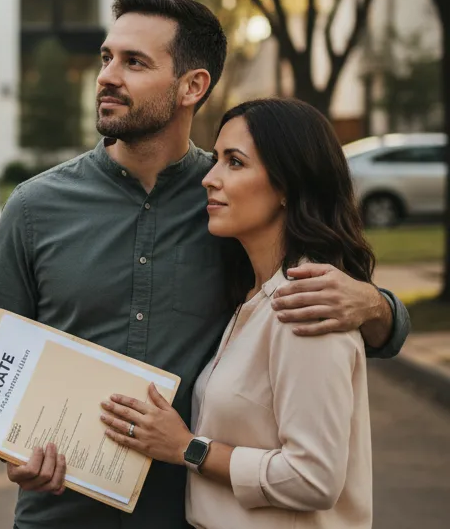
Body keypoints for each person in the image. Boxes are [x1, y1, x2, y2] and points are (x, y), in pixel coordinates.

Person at [0, 0, 410, 529]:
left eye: (134, 62)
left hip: (189, 516)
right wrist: (12, 451)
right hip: (60, 515)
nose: (107, 75)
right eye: (107, 57)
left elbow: (331, 328)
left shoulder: (232, 204)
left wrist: (377, 306)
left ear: (191, 86)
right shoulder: (34, 207)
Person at [100, 98, 377, 528]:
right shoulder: (255, 298)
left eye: (235, 162)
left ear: (288, 184)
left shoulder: (305, 305)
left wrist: (187, 448)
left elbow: (314, 478)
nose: (210, 179)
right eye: (215, 160)